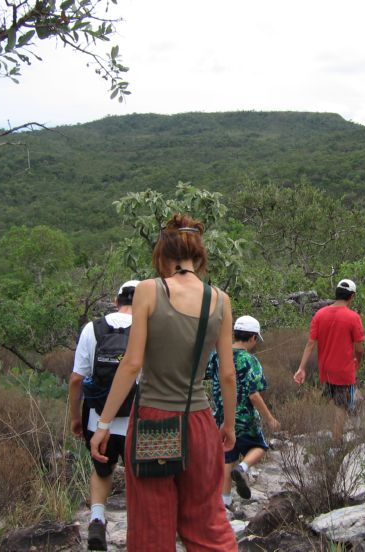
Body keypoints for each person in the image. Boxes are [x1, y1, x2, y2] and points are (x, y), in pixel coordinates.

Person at [90, 214, 238, 551]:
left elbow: (132, 364)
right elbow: (227, 375)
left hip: (154, 425)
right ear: (198, 257)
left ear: (162, 254)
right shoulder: (221, 300)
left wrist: (104, 423)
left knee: (151, 527)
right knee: (208, 523)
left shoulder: (148, 290)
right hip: (200, 424)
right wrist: (227, 424)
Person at [69, 279, 139, 551]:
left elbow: (77, 379)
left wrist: (76, 418)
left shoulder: (92, 328)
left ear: (116, 300)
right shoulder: (148, 329)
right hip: (136, 419)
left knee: (102, 469)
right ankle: (136, 528)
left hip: (98, 420)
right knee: (138, 474)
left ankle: (97, 518)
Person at [205, 315, 281, 508]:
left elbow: (205, 375)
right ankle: (243, 467)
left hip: (221, 416)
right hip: (244, 417)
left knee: (227, 455)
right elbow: (254, 394)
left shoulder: (217, 355)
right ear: (253, 337)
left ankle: (225, 500)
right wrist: (269, 418)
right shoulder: (250, 360)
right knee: (260, 447)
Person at [293, 278, 365, 444]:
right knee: (341, 407)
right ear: (352, 296)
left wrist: (301, 368)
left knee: (335, 402)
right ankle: (336, 443)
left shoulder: (320, 314)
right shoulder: (353, 317)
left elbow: (311, 343)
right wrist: (357, 362)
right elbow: (360, 348)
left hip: (326, 369)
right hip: (344, 370)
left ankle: (333, 433)